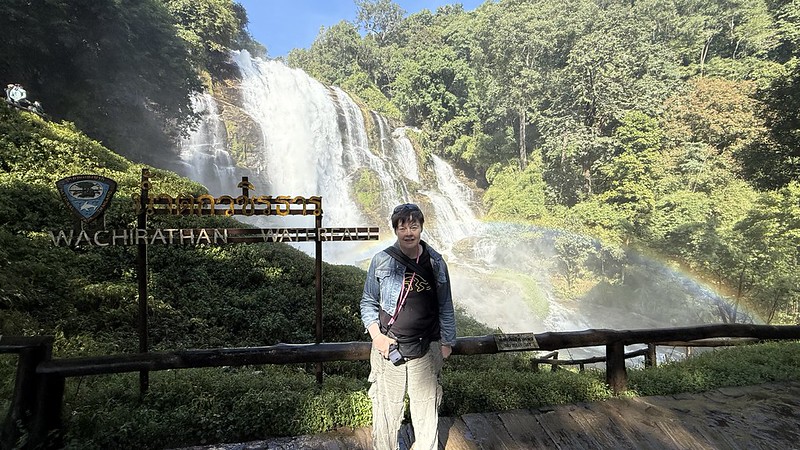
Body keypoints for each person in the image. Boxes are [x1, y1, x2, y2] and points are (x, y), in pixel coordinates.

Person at [360, 203, 456, 450]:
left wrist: (447, 342)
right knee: (386, 411)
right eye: (403, 227)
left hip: (427, 349)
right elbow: (368, 302)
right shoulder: (381, 261)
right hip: (389, 349)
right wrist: (376, 337)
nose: (408, 232)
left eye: (414, 226)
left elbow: (445, 304)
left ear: (421, 228)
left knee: (426, 410)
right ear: (395, 230)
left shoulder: (435, 262)